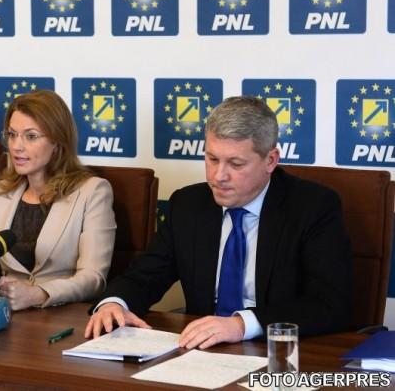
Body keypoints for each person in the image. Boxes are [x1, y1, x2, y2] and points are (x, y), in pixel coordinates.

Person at [85, 95, 353, 348]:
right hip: (202, 350)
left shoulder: (312, 207)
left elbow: (330, 304)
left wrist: (242, 324)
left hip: (278, 350)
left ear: (270, 160)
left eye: (235, 164)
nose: (218, 176)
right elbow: (145, 276)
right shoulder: (188, 204)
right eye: (212, 159)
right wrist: (115, 303)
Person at [0, 90, 116, 311]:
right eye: (12, 134)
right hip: (6, 312)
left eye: (31, 136)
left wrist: (38, 294)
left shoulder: (92, 192)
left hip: (62, 313)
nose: (16, 146)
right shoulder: (0, 192)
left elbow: (93, 277)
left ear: (57, 141)